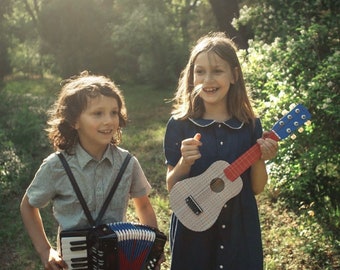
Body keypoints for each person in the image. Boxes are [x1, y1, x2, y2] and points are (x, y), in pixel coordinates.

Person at [20, 71, 163, 270]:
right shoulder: (56, 166)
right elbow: (28, 206)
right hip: (74, 259)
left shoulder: (127, 163)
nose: (109, 120)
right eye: (98, 113)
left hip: (118, 258)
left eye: (114, 112)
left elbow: (145, 207)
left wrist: (152, 250)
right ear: (74, 121)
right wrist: (45, 251)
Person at [163, 32, 278, 269]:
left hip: (239, 226)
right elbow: (172, 187)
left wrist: (261, 158)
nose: (208, 79)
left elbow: (256, 187)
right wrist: (185, 163)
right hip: (193, 228)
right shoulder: (179, 125)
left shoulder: (250, 125)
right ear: (191, 77)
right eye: (200, 71)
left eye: (217, 71)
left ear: (234, 75)